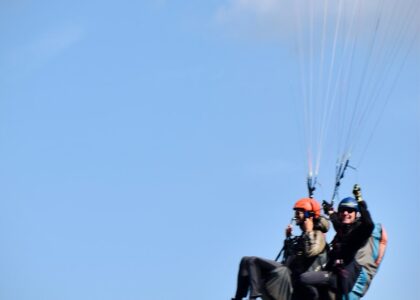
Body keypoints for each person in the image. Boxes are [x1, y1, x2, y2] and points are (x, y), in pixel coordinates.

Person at [232, 198, 329, 300]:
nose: (295, 216)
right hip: (287, 273)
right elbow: (289, 259)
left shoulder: (318, 235)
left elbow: (311, 252)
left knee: (253, 261)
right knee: (246, 260)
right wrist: (288, 240)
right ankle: (238, 297)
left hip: (293, 279)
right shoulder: (301, 237)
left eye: (298, 213)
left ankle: (253, 297)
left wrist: (309, 232)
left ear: (308, 215)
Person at [300, 185, 375, 300]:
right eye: (343, 211)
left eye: (350, 211)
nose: (345, 213)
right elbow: (335, 219)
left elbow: (369, 224)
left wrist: (359, 200)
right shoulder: (342, 228)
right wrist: (329, 210)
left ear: (356, 214)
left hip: (340, 278)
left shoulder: (358, 232)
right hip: (332, 272)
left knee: (304, 279)